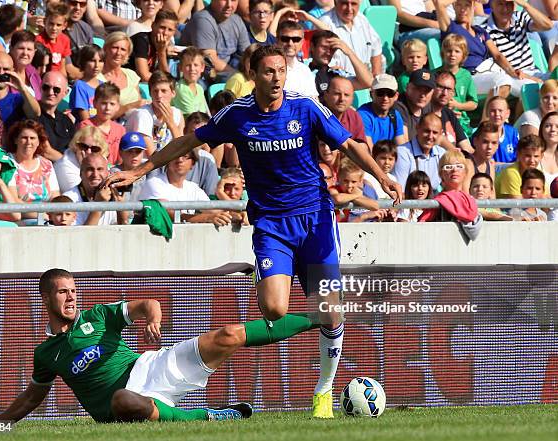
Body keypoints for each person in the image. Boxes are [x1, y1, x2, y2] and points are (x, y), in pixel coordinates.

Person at [104, 44, 402, 419]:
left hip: (315, 221)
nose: (276, 78)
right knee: (275, 309)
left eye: (281, 71)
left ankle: (323, 390)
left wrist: (381, 175)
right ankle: (328, 313)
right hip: (271, 224)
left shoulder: (305, 107)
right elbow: (186, 142)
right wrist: (139, 170)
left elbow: (347, 144)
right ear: (254, 74)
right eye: (268, 72)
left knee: (326, 309)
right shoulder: (237, 115)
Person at [0, 268, 328, 423]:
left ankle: (318, 317)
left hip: (151, 367)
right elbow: (31, 398)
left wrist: (153, 318)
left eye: (73, 290)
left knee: (228, 334)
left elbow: (147, 304)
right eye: (62, 291)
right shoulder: (46, 354)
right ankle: (206, 418)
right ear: (45, 296)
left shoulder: (97, 315)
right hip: (122, 403)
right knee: (123, 399)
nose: (71, 297)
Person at [138, 151, 233, 225]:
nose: (180, 160)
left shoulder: (193, 188)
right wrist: (208, 218)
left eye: (185, 156)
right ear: (167, 161)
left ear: (193, 164)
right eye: (175, 155)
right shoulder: (154, 183)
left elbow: (213, 210)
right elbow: (169, 214)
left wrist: (236, 216)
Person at [482, 0, 552, 97]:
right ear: (492, 6)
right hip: (512, 76)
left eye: (508, 4)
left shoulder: (520, 17)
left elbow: (548, 25)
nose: (505, 9)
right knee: (534, 89)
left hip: (534, 73)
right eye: (500, 4)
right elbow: (499, 58)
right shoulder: (484, 30)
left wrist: (525, 5)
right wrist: (530, 78)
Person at [181, 0, 251, 78]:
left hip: (227, 72)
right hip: (202, 76)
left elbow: (248, 54)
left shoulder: (236, 20)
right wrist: (240, 77)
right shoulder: (203, 19)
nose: (229, 5)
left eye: (233, 0)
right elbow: (211, 61)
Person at [6, 120, 61, 218]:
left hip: (47, 218)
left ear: (38, 141)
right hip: (21, 220)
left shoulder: (47, 164)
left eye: (32, 138)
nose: (28, 142)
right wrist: (39, 215)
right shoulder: (7, 163)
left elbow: (55, 196)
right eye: (24, 138)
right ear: (15, 140)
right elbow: (13, 200)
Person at [319, 0, 383, 77]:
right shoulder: (325, 23)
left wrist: (376, 74)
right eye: (344, 3)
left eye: (353, 4)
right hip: (339, 82)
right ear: (336, 2)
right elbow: (324, 62)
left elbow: (376, 47)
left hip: (365, 81)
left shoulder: (362, 19)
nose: (349, 9)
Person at [63, 153, 129, 226]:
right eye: (90, 169)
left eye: (100, 169)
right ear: (81, 173)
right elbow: (81, 236)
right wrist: (98, 205)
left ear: (108, 173)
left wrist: (121, 210)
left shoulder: (116, 194)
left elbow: (123, 232)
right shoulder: (69, 199)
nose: (95, 175)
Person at [126, 71, 183, 154]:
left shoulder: (177, 114)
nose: (159, 95)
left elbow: (182, 148)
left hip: (168, 163)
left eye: (164, 91)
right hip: (145, 163)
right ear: (150, 93)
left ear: (173, 93)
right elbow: (151, 156)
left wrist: (172, 124)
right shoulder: (143, 114)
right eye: (155, 91)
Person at [308, 29, 372, 97]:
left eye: (332, 49)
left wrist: (349, 52)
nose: (328, 53)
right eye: (324, 47)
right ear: (312, 46)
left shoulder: (336, 74)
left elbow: (368, 83)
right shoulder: (300, 68)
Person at [393, 112, 447, 192]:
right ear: (417, 128)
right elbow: (400, 192)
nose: (430, 136)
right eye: (426, 131)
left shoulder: (442, 154)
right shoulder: (402, 153)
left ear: (441, 133)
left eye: (435, 132)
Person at [440, 33, 478, 138]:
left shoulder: (466, 76)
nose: (452, 54)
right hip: (439, 120)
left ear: (463, 55)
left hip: (461, 122)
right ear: (443, 53)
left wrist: (458, 105)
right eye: (449, 51)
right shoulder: (435, 74)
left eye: (457, 51)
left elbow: (474, 103)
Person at [79, 82, 126, 165]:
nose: (107, 108)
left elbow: (122, 158)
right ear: (94, 103)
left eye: (112, 104)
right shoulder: (86, 126)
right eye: (103, 103)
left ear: (118, 106)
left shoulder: (120, 129)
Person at [357, 74, 406, 149]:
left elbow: (402, 149)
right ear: (371, 94)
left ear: (396, 96)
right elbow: (368, 152)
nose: (385, 98)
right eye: (380, 93)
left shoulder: (395, 115)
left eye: (390, 93)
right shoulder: (362, 115)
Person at [99, 32, 143, 116]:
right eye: (115, 48)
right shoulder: (97, 77)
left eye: (123, 49)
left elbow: (139, 104)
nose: (118, 53)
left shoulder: (131, 74)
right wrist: (129, 107)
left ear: (127, 54)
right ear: (105, 49)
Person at [54, 125, 110, 191]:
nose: (89, 152)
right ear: (75, 146)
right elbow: (82, 195)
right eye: (84, 147)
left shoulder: (101, 159)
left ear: (101, 150)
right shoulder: (64, 165)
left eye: (94, 149)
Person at [129, 9, 178, 84]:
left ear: (174, 32)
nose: (165, 33)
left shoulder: (165, 44)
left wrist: (162, 52)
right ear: (153, 25)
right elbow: (144, 76)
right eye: (162, 27)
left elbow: (166, 76)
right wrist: (161, 52)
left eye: (170, 30)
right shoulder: (141, 40)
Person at [429, 71, 473, 153]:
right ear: (432, 87)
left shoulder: (449, 114)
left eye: (449, 89)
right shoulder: (425, 114)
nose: (444, 93)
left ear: (453, 93)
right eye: (441, 87)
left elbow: (466, 146)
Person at [38, 71, 76, 157]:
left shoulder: (66, 120)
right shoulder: (33, 114)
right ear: (40, 87)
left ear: (65, 93)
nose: (50, 92)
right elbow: (45, 151)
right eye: (46, 87)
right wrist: (67, 164)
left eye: (56, 90)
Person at [276, 21, 318, 98]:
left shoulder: (305, 70)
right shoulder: (269, 68)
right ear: (277, 40)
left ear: (302, 42)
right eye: (285, 39)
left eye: (296, 39)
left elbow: (314, 100)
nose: (290, 43)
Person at [322, 76, 367, 146]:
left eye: (346, 95)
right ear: (326, 95)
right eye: (337, 94)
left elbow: (362, 146)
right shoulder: (316, 114)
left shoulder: (354, 116)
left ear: (352, 99)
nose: (342, 99)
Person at [393, 68, 434, 143]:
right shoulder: (399, 106)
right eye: (418, 89)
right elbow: (403, 144)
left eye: (427, 90)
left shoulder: (427, 106)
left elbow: (439, 138)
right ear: (408, 87)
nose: (422, 95)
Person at [35, 2, 73, 78]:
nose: (54, 28)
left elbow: (62, 67)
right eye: (51, 24)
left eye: (58, 25)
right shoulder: (38, 41)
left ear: (64, 25)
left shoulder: (65, 40)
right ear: (45, 22)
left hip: (57, 78)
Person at [70, 44, 104, 122]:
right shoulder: (80, 86)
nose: (97, 65)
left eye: (100, 61)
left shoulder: (103, 85)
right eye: (92, 61)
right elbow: (85, 119)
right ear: (83, 62)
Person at [172, 47, 210, 117]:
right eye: (188, 65)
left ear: (202, 68)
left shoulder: (200, 89)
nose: (192, 69)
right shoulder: (181, 89)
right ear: (180, 67)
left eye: (196, 65)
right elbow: (192, 118)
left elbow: (204, 113)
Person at [465, 121, 500, 191]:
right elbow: (466, 197)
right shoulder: (468, 164)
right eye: (485, 142)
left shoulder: (490, 165)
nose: (489, 147)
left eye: (494, 143)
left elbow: (492, 195)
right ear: (475, 141)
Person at [483, 96, 518, 163]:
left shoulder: (513, 132)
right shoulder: (482, 134)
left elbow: (519, 156)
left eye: (500, 111)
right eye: (493, 111)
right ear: (487, 113)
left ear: (507, 113)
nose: (497, 114)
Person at [10, 31, 43, 100]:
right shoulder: (4, 71)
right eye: (21, 48)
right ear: (11, 48)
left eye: (29, 49)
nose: (25, 53)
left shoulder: (33, 72)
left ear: (34, 52)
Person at [538, 111, 558, 187]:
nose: (553, 129)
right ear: (541, 129)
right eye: (548, 126)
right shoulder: (533, 155)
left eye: (557, 126)